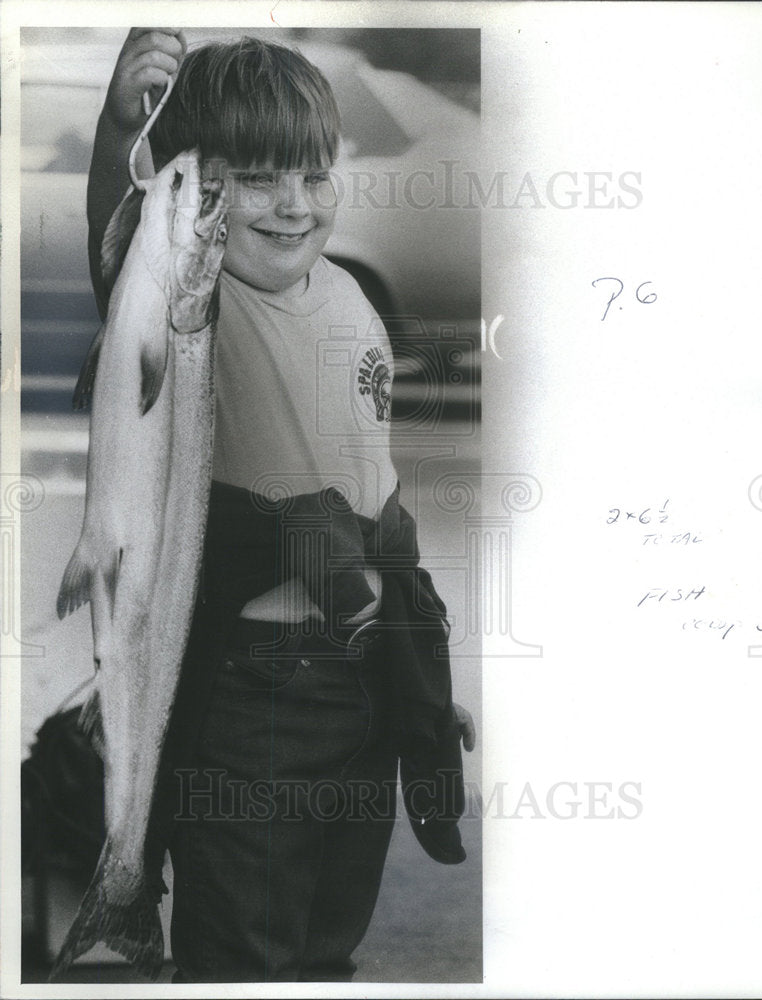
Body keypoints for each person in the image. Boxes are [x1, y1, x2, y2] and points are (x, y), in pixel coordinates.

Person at [86, 27, 475, 983]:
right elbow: (131, 246)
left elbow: (379, 508)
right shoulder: (195, 293)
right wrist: (117, 132)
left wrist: (423, 683)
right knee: (243, 955)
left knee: (322, 944)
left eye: (313, 174)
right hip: (250, 701)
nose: (294, 206)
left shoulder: (348, 298)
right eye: (258, 180)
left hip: (363, 692)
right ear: (202, 189)